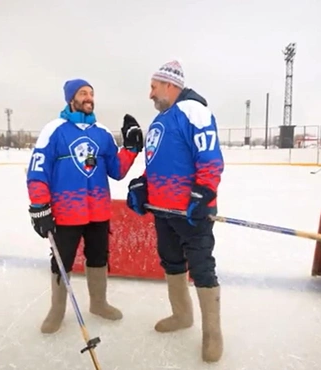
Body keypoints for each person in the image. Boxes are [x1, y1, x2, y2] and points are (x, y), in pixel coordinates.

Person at [126, 60, 225, 363]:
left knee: (202, 268)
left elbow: (210, 158)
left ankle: (212, 333)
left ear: (170, 85)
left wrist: (204, 192)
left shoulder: (193, 111)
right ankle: (182, 315)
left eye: (153, 87)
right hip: (164, 212)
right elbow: (157, 163)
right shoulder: (161, 120)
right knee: (171, 262)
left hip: (191, 212)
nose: (150, 95)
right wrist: (143, 185)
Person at [27, 78, 143, 334]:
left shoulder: (101, 132)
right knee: (62, 260)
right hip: (66, 213)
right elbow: (38, 171)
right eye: (83, 93)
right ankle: (56, 311)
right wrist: (39, 206)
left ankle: (99, 304)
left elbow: (117, 170)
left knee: (99, 257)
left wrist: (132, 149)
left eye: (91, 93)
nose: (89, 97)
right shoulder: (54, 129)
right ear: (71, 99)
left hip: (99, 211)